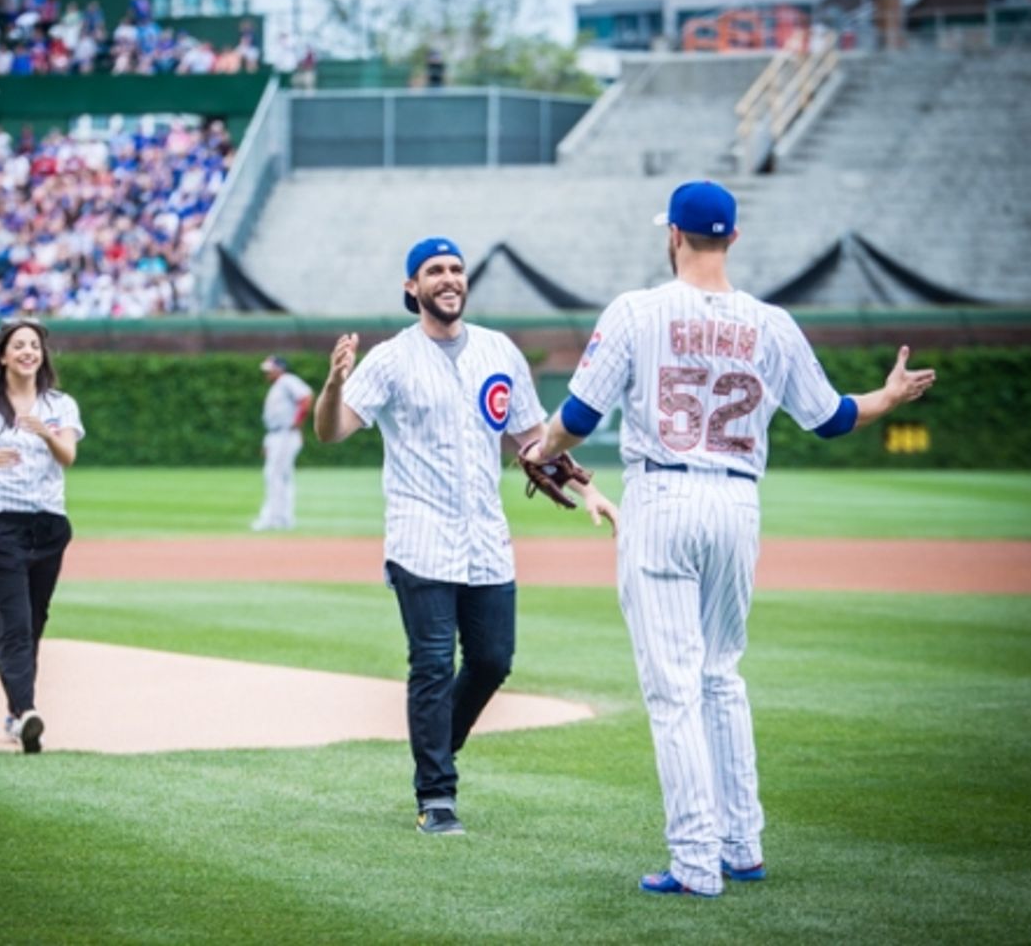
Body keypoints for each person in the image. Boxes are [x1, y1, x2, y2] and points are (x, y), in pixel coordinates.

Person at [521, 180, 936, 896]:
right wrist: (889, 398)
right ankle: (742, 844)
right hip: (737, 502)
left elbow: (580, 416)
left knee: (674, 690)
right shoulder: (771, 323)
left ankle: (693, 861)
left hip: (662, 495)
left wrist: (538, 446)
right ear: (732, 238)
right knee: (721, 676)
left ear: (673, 236)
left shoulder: (638, 310)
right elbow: (834, 418)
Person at [315, 237, 618, 835]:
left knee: (490, 660)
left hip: (486, 538)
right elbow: (333, 431)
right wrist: (332, 385)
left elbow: (536, 440)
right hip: (419, 535)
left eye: (456, 269)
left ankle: (435, 749)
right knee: (431, 664)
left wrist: (589, 489)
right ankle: (437, 795)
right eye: (434, 271)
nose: (448, 278)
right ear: (412, 288)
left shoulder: (498, 351)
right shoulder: (391, 359)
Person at [0, 319, 84, 754]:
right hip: (2, 525)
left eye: (35, 345)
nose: (28, 352)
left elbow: (69, 457)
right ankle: (26, 712)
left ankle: (15, 713)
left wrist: (45, 431)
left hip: (49, 525)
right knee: (16, 624)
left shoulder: (60, 405)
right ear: (2, 356)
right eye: (19, 345)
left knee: (35, 621)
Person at [252, 354, 313, 532]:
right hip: (277, 435)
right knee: (282, 477)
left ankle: (272, 518)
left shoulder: (287, 380)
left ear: (279, 368)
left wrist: (298, 422)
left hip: (285, 434)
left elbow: (306, 397)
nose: (267, 373)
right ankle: (284, 518)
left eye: (270, 370)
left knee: (274, 475)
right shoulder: (278, 386)